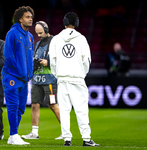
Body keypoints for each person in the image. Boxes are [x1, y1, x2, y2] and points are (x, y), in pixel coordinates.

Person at [49, 12, 100, 147]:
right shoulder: (81, 39)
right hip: (77, 78)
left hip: (62, 79)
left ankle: (67, 139)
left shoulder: (56, 39)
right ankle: (86, 139)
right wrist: (81, 74)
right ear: (76, 23)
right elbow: (87, 60)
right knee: (81, 110)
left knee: (64, 111)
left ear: (64, 22)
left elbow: (52, 61)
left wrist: (58, 74)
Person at [21, 21, 62, 140]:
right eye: (37, 33)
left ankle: (66, 131)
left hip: (50, 81)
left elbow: (61, 60)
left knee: (53, 105)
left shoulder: (55, 42)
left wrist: (48, 63)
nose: (38, 35)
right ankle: (34, 133)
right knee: (34, 105)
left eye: (40, 33)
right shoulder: (37, 44)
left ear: (46, 29)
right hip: (37, 80)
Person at [1, 6, 34, 145]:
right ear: (20, 18)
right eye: (27, 17)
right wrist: (19, 71)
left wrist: (28, 73)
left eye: (31, 17)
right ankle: (13, 135)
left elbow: (30, 58)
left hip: (24, 79)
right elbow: (8, 56)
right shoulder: (12, 33)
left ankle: (13, 136)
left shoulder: (31, 36)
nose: (30, 19)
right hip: (12, 76)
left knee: (21, 107)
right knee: (13, 106)